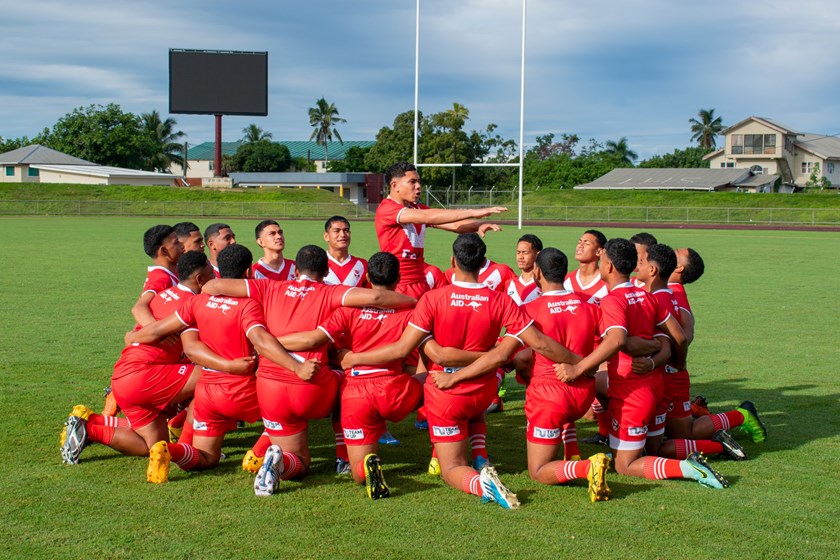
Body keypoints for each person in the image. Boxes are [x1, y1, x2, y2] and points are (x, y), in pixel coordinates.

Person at [341, 234, 583, 509]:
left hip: (447, 391)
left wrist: (353, 358)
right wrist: (580, 363)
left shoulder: (432, 299)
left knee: (452, 467)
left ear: (453, 261)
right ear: (482, 264)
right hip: (484, 390)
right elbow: (531, 345)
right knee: (472, 410)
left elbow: (404, 349)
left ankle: (482, 484)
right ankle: (481, 453)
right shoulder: (501, 301)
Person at [201, 245, 417, 496]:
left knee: (299, 462)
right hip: (312, 385)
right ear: (326, 271)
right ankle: (344, 457)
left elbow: (212, 287)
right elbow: (377, 298)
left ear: (294, 270)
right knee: (348, 385)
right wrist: (415, 301)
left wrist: (270, 343)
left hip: (270, 385)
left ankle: (279, 462)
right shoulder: (330, 292)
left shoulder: (269, 286)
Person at [125, 244, 317, 483]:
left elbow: (172, 337)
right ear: (248, 272)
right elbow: (261, 341)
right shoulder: (251, 304)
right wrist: (295, 367)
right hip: (244, 391)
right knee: (286, 409)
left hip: (208, 394)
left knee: (206, 457)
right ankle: (258, 455)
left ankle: (169, 450)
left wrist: (133, 336)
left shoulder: (197, 302)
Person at [555, 238, 729, 490]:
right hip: (655, 383)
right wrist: (658, 360)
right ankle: (717, 446)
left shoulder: (613, 300)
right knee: (655, 448)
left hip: (632, 391)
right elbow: (674, 339)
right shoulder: (647, 296)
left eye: (602, 262)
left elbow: (616, 340)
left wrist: (578, 368)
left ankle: (689, 468)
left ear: (610, 267)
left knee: (624, 465)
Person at [276, 252, 423, 500]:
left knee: (357, 473)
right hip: (394, 387)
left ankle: (367, 466)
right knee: (437, 385)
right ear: (398, 278)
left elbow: (317, 340)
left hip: (356, 394)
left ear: (366, 277)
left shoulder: (348, 311)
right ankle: (445, 453)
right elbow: (420, 351)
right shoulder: (411, 310)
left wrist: (268, 343)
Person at [60, 251, 218, 466]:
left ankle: (89, 429)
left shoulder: (166, 294)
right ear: (200, 279)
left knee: (153, 447)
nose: (215, 279)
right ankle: (196, 447)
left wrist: (135, 336)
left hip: (125, 374)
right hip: (144, 374)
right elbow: (164, 336)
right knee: (213, 376)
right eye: (212, 274)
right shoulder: (191, 302)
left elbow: (140, 308)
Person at [519, 247, 610, 501]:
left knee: (537, 470)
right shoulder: (589, 306)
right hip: (583, 394)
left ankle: (585, 467)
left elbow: (517, 356)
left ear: (537, 271)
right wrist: (585, 366)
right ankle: (573, 450)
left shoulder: (530, 309)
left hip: (549, 396)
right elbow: (611, 342)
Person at [374, 161, 506, 298]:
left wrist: (477, 225)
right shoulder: (387, 208)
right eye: (412, 182)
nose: (418, 186)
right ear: (395, 186)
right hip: (399, 284)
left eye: (419, 181)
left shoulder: (416, 209)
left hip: (420, 282)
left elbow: (454, 225)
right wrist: (473, 211)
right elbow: (427, 217)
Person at [564, 229, 610, 445]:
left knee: (606, 393)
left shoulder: (607, 284)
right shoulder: (566, 280)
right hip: (570, 349)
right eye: (579, 240)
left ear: (600, 251)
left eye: (587, 242)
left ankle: (610, 430)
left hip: (601, 352)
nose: (580, 245)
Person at [131, 225, 185, 326]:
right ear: (164, 251)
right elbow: (139, 307)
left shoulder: (172, 272)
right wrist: (158, 331)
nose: (182, 245)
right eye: (176, 242)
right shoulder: (162, 278)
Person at [323, 215, 370, 288]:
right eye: (336, 231)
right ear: (326, 236)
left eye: (346, 231)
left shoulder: (362, 265)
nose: (342, 234)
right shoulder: (317, 263)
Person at [505, 234, 543, 305]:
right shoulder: (509, 284)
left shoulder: (544, 284)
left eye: (525, 253)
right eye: (518, 252)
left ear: (538, 255)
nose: (520, 257)